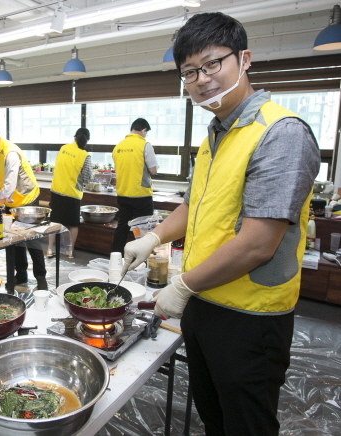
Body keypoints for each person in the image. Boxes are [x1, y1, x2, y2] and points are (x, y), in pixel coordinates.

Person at [121, 12, 320, 436]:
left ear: (244, 59)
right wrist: (153, 237)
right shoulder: (215, 135)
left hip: (249, 318)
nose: (201, 79)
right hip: (204, 302)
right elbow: (194, 207)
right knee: (213, 417)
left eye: (213, 64)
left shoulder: (280, 132)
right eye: (189, 71)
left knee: (246, 424)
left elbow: (257, 245)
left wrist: (181, 285)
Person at [0, 122, 48, 291]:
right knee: (13, 238)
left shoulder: (11, 152)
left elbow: (10, 181)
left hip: (27, 199)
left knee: (32, 239)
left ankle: (41, 278)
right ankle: (20, 273)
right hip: (11, 200)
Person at [111, 118, 158, 255]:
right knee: (144, 229)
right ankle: (142, 260)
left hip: (123, 193)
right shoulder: (145, 145)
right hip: (141, 194)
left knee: (122, 227)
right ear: (143, 130)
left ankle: (116, 256)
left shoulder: (118, 146)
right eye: (146, 133)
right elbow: (153, 171)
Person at [47, 128, 93, 258]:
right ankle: (69, 251)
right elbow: (87, 178)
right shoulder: (84, 155)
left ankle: (50, 249)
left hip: (56, 190)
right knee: (73, 224)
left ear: (75, 137)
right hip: (72, 193)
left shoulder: (63, 149)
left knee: (54, 222)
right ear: (87, 140)